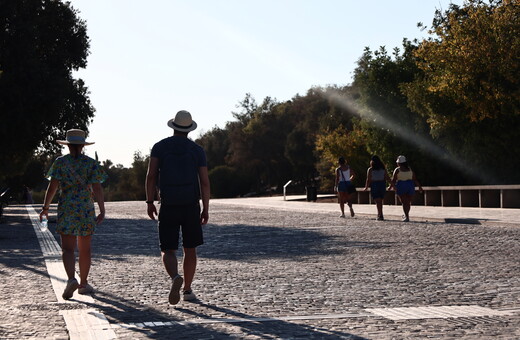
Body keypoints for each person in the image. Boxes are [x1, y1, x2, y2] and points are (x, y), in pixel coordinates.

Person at [145, 110, 210, 305]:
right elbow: (204, 182)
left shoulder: (160, 147)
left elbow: (151, 176)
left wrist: (149, 201)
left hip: (169, 203)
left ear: (173, 126)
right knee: (190, 249)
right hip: (190, 203)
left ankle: (175, 277)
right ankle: (188, 290)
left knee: (167, 248)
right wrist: (205, 208)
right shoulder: (197, 150)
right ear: (189, 129)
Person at [39, 129, 107, 299]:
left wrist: (45, 208)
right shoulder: (91, 164)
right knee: (85, 249)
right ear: (83, 145)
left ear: (68, 145)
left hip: (67, 207)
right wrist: (102, 209)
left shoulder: (60, 163)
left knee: (68, 249)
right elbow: (97, 188)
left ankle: (71, 279)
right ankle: (83, 283)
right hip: (85, 208)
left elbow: (52, 187)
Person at [389, 155, 423, 222]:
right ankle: (407, 215)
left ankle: (406, 216)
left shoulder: (397, 170)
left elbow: (394, 179)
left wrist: (391, 187)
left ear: (398, 163)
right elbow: (415, 179)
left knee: (404, 202)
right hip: (410, 185)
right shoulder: (410, 169)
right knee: (408, 202)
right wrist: (419, 187)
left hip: (401, 185)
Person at [363, 155, 392, 221]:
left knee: (378, 201)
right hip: (382, 184)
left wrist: (366, 187)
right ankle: (380, 214)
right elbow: (387, 177)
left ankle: (380, 214)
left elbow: (368, 179)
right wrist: (392, 185)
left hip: (375, 184)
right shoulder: (383, 169)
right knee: (380, 200)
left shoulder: (370, 169)